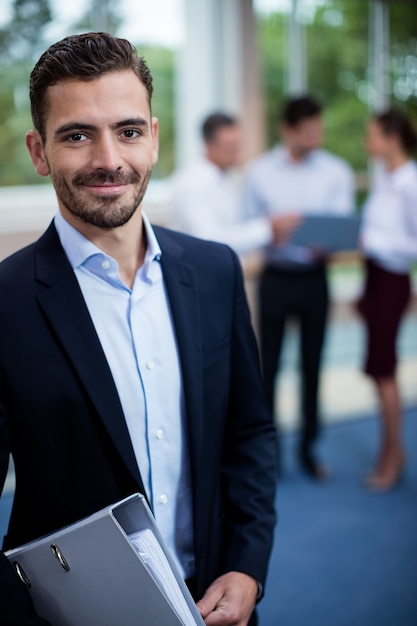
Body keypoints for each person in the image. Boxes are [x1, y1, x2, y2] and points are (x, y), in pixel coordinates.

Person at [0, 32, 277, 625]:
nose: (108, 160)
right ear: (39, 151)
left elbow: (248, 435)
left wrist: (248, 565)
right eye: (77, 135)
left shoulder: (213, 270)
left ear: (152, 139)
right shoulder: (5, 301)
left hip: (215, 605)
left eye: (127, 131)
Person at [242, 95, 355, 479]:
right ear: (287, 130)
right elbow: (247, 226)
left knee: (312, 366)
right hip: (275, 279)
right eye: (308, 132)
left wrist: (331, 243)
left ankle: (309, 449)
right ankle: (267, 454)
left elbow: (343, 228)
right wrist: (270, 231)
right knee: (267, 369)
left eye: (318, 130)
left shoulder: (335, 171)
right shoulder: (259, 173)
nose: (316, 138)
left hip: (314, 280)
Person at [357, 107, 417, 492]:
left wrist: (373, 242)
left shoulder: (410, 182)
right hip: (375, 278)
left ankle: (392, 455)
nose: (368, 141)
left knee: (384, 372)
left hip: (392, 279)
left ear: (392, 138)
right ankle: (393, 450)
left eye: (373, 135)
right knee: (380, 372)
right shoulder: (385, 178)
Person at [169, 112, 282, 258]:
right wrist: (267, 229)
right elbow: (209, 240)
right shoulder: (190, 183)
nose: (237, 152)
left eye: (238, 145)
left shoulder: (228, 177)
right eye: (230, 146)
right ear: (209, 145)